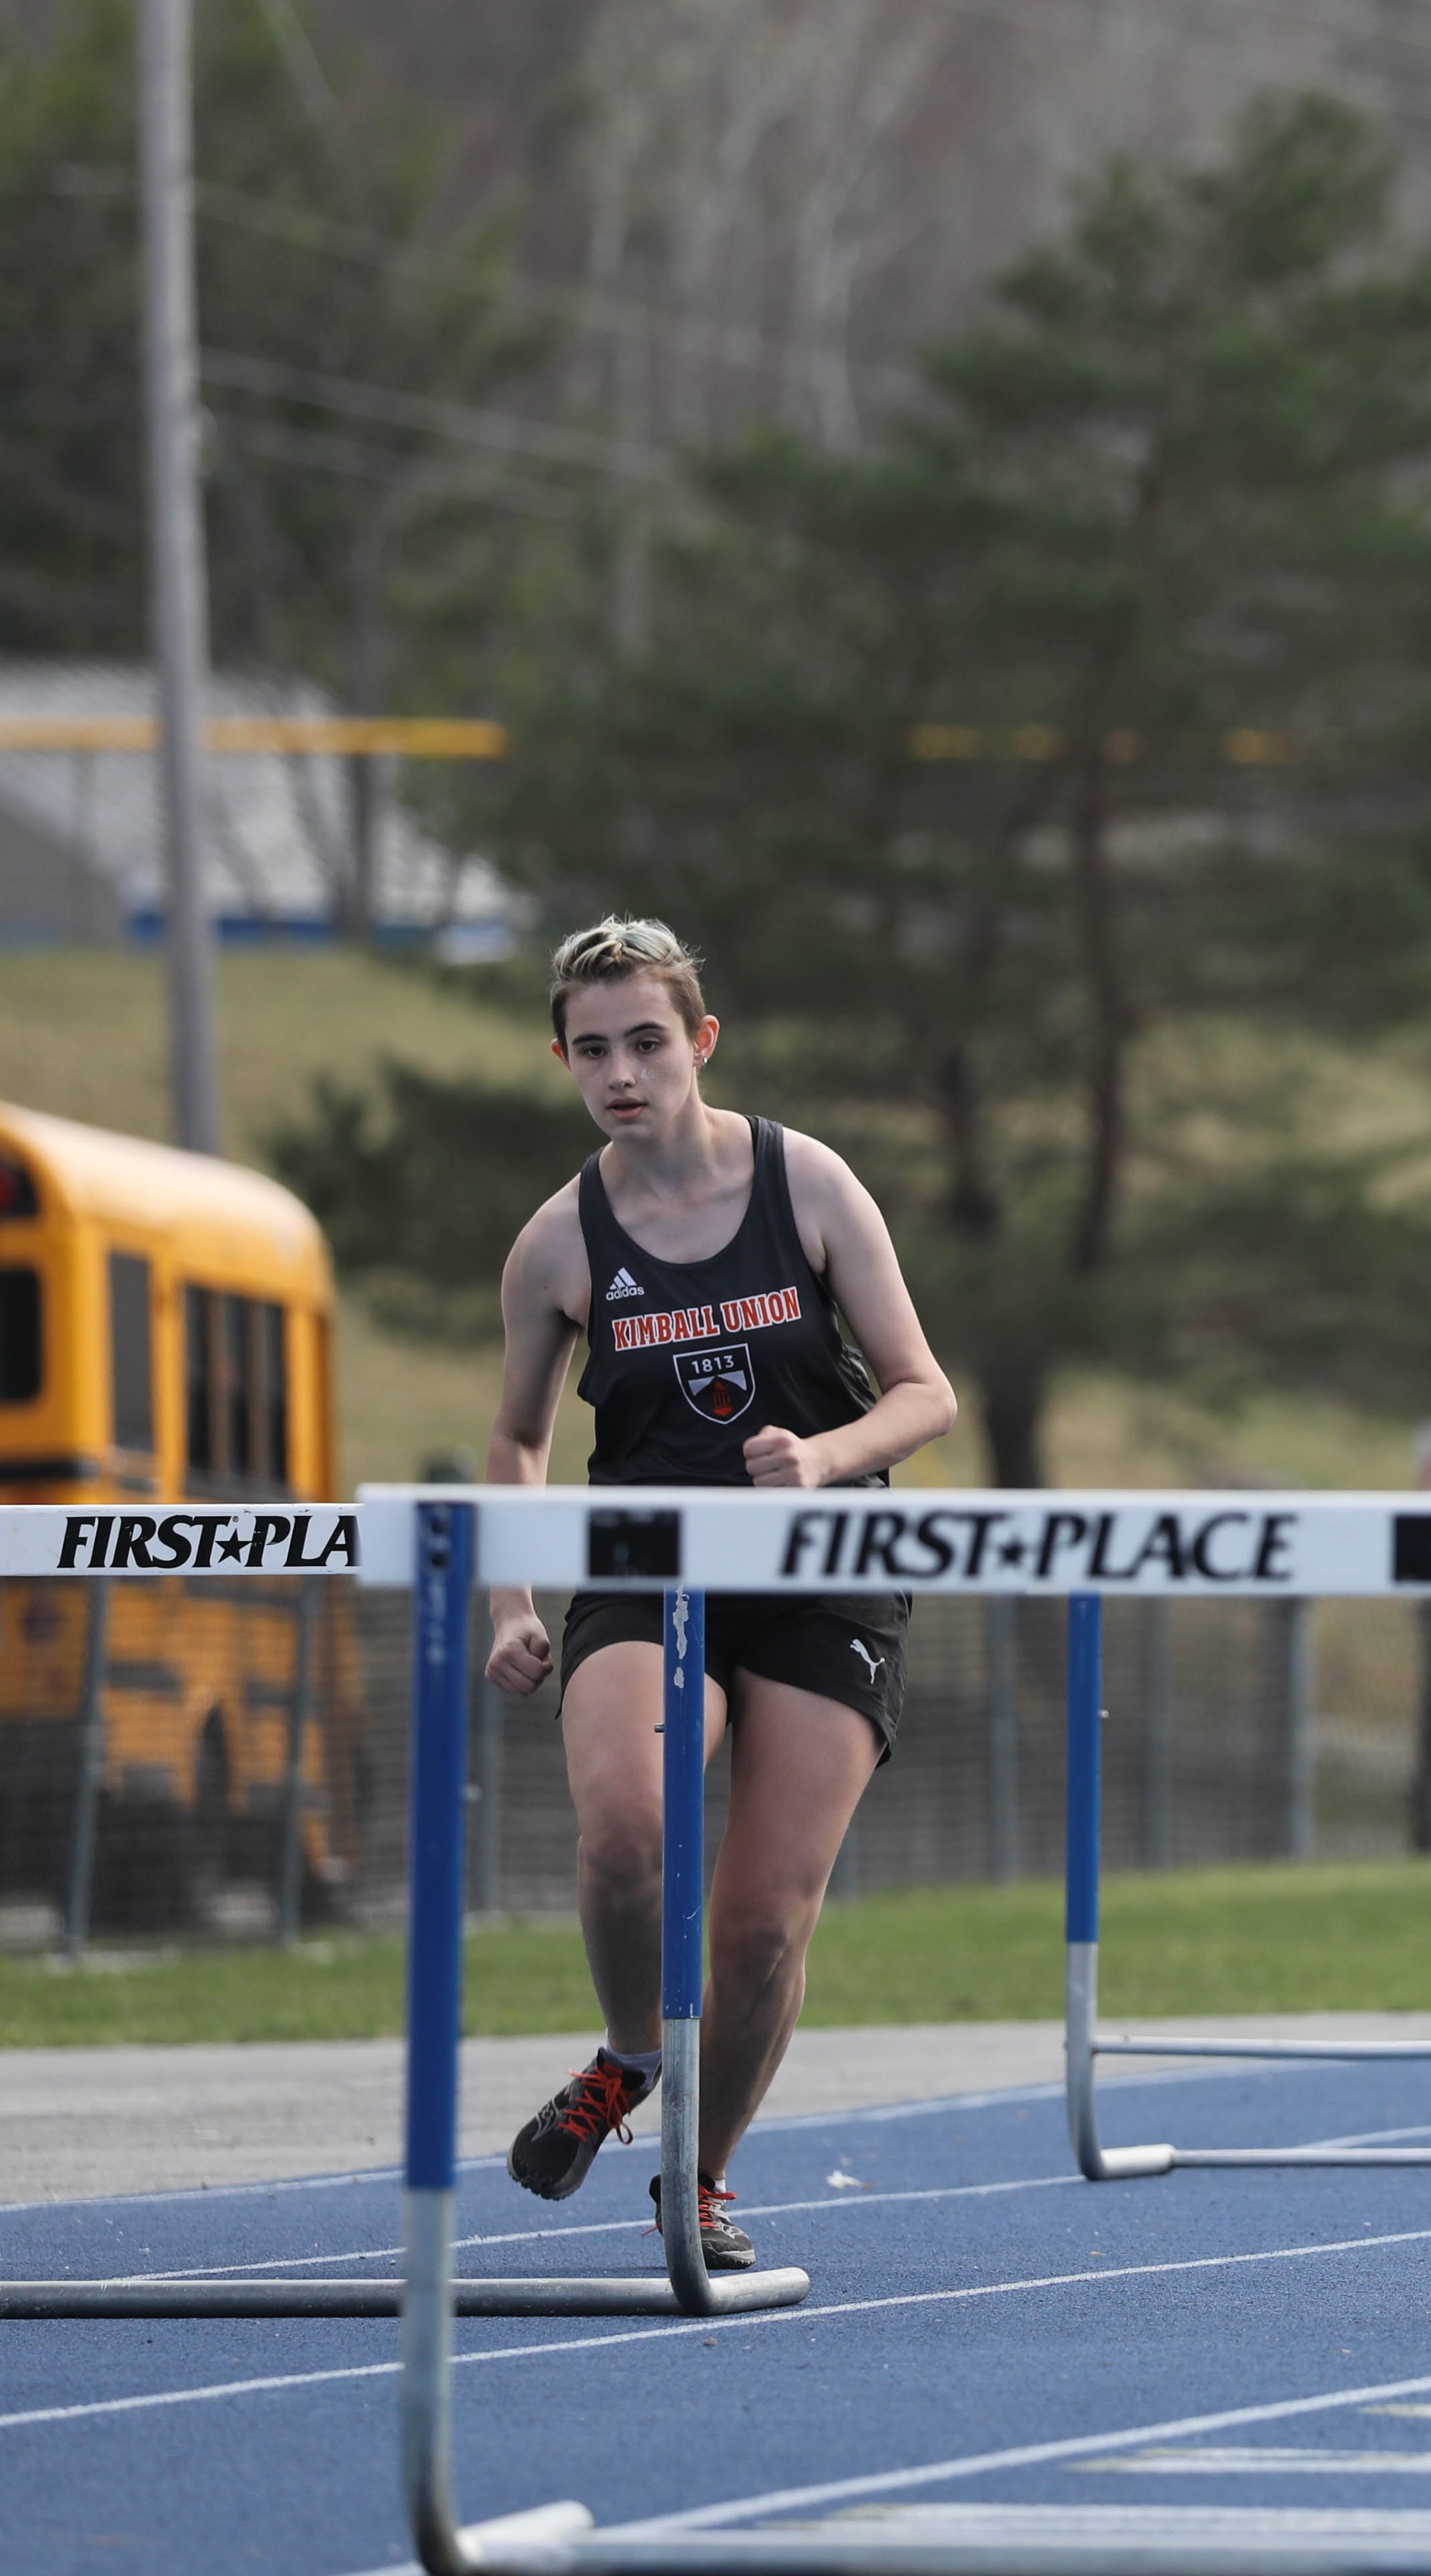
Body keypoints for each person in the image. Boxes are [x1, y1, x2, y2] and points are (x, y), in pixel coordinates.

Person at [478, 916, 958, 2270]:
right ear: (563, 1058)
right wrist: (508, 1598)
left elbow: (927, 1390)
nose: (621, 1071)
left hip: (820, 1576)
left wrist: (824, 1454)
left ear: (700, 1041)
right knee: (629, 1826)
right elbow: (516, 1437)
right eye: (591, 1049)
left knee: (756, 1924)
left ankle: (699, 2176)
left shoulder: (805, 1182)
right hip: (651, 1567)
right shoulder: (557, 1243)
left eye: (645, 1040)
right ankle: (629, 2052)